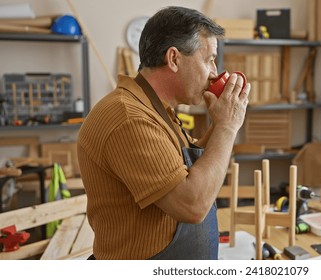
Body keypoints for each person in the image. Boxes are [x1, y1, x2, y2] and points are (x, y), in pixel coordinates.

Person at [77, 6, 250, 260]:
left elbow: (195, 167)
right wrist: (226, 126)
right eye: (209, 59)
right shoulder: (129, 119)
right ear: (174, 59)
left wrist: (222, 120)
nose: (214, 72)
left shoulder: (157, 111)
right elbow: (191, 205)